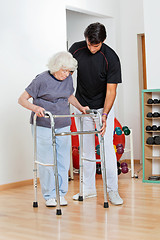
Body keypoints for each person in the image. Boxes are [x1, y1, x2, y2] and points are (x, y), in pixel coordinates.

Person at [18, 51, 89, 207]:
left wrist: (80, 107)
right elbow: (22, 99)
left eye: (69, 71)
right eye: (64, 70)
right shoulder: (41, 80)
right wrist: (35, 107)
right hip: (44, 125)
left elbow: (69, 96)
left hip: (63, 123)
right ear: (55, 67)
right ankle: (49, 195)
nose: (66, 74)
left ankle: (60, 193)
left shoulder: (68, 79)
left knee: (63, 160)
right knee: (47, 160)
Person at [69, 22, 123, 205]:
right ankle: (88, 189)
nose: (92, 48)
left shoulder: (111, 58)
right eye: (89, 44)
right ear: (85, 38)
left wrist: (106, 115)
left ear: (103, 41)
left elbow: (111, 91)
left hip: (103, 108)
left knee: (107, 147)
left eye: (96, 45)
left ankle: (112, 191)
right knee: (86, 149)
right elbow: (65, 75)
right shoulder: (76, 50)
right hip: (82, 107)